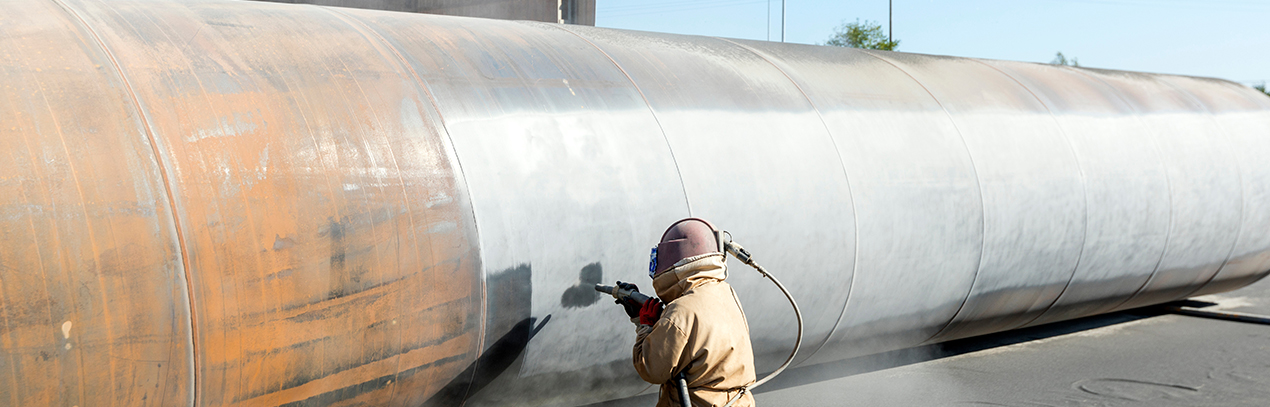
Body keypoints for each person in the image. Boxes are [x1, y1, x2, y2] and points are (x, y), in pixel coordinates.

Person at [615, 218, 757, 407]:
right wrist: (642, 319)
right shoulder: (725, 292)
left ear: (672, 261)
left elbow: (651, 369)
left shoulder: (680, 311)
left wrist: (645, 327)